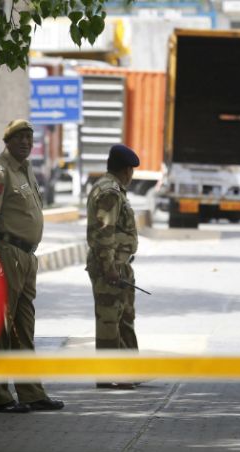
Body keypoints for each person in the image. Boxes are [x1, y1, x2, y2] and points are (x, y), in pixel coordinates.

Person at [0, 119, 65, 413]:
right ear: (8, 141)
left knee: (24, 327)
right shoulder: (0, 170)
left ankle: (30, 391)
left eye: (29, 137)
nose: (26, 142)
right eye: (20, 138)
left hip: (26, 257)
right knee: (3, 326)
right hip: (6, 254)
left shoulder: (25, 167)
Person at [85, 144, 141, 390]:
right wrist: (109, 267)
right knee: (109, 320)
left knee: (124, 317)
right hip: (111, 266)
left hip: (120, 265)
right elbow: (104, 233)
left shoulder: (112, 188)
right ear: (127, 170)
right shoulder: (109, 192)